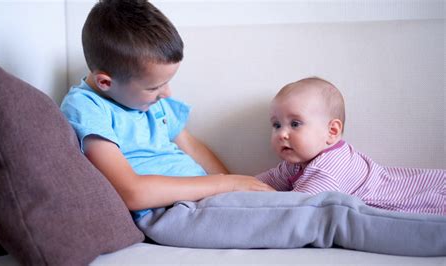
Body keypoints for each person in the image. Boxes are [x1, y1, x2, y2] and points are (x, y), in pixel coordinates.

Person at [60, 0, 273, 221]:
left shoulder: (149, 101)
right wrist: (225, 185)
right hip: (166, 209)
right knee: (294, 217)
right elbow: (132, 192)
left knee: (284, 203)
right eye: (154, 87)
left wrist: (236, 183)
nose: (167, 94)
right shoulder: (86, 108)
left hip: (205, 197)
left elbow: (192, 147)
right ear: (105, 82)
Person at [256, 77, 445, 215]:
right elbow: (268, 180)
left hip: (410, 197)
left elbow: (296, 208)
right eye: (276, 125)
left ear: (331, 131)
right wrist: (236, 185)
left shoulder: (328, 167)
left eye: (295, 124)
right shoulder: (296, 161)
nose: (282, 134)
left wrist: (258, 197)